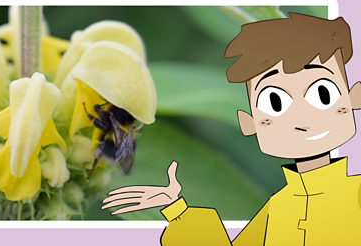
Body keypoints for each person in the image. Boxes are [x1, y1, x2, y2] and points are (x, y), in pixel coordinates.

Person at [101, 13, 361, 245]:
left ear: (353, 98)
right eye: (275, 102)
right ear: (250, 123)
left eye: (321, 94)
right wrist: (175, 209)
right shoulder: (283, 206)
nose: (301, 118)